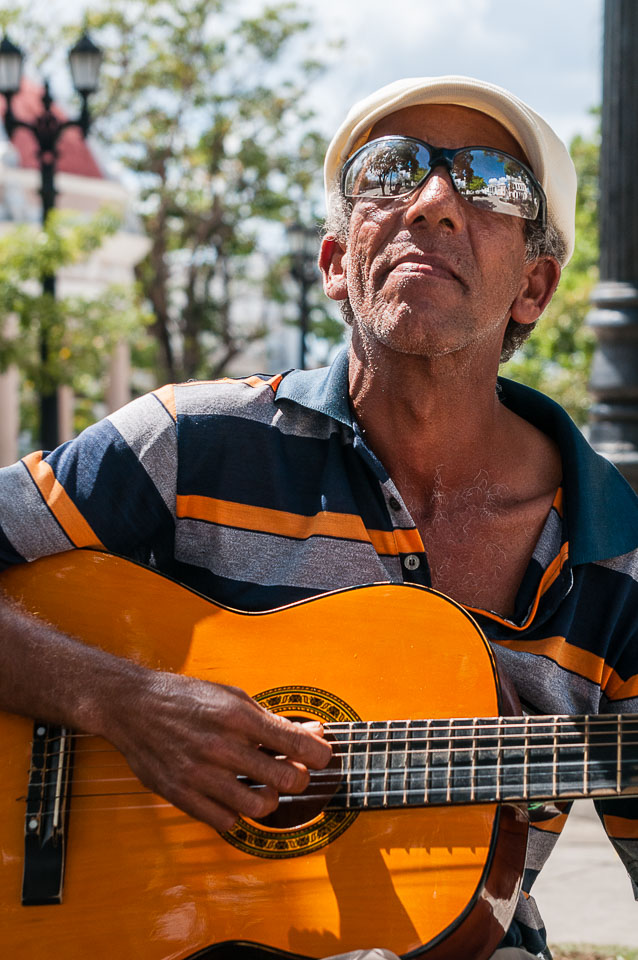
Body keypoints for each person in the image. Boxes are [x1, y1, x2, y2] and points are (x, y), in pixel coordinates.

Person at [1, 75, 638, 960]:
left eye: (492, 180)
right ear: (337, 263)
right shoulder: (190, 442)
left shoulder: (619, 557)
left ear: (535, 286)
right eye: (391, 170)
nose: (433, 202)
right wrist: (123, 701)